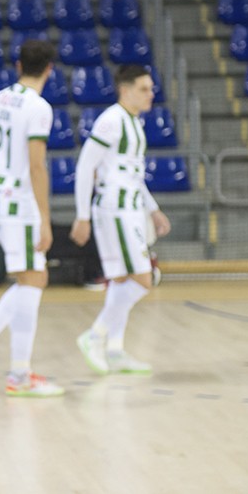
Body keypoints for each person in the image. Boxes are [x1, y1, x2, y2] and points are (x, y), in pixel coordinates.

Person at [0, 40, 63, 398]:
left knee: (31, 279)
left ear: (19, 65)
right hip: (22, 205)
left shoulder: (0, 98)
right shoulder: (39, 108)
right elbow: (37, 166)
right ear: (49, 69)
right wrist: (45, 219)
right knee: (33, 279)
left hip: (1, 202)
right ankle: (10, 367)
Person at [70, 64, 172, 375]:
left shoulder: (134, 123)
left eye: (151, 88)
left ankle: (114, 350)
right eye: (144, 88)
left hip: (128, 208)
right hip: (115, 210)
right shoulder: (112, 120)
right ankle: (95, 335)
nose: (150, 93)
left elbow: (134, 177)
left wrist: (152, 209)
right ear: (125, 90)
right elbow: (86, 166)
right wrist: (82, 215)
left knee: (122, 279)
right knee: (145, 278)